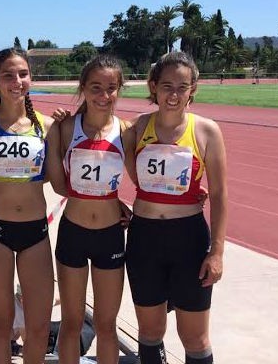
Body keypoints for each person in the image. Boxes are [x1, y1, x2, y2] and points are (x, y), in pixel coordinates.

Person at [125, 52, 227, 364]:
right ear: (153, 86)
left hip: (189, 241)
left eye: (182, 87)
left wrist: (217, 252)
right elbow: (99, 148)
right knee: (151, 330)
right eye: (166, 85)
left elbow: (221, 195)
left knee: (194, 336)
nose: (174, 94)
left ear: (193, 89)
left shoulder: (206, 131)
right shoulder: (136, 129)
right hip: (145, 239)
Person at [46, 55, 134, 364]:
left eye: (111, 88)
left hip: (110, 236)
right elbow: (60, 187)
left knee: (106, 326)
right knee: (71, 324)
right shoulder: (66, 128)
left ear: (119, 90)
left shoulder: (126, 131)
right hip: (73, 232)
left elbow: (144, 180)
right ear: (83, 88)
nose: (103, 95)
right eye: (95, 87)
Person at [0, 48, 57, 364]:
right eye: (8, 75)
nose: (17, 81)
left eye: (23, 74)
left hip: (35, 232)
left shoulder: (48, 126)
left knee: (38, 327)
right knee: (2, 322)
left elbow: (55, 176)